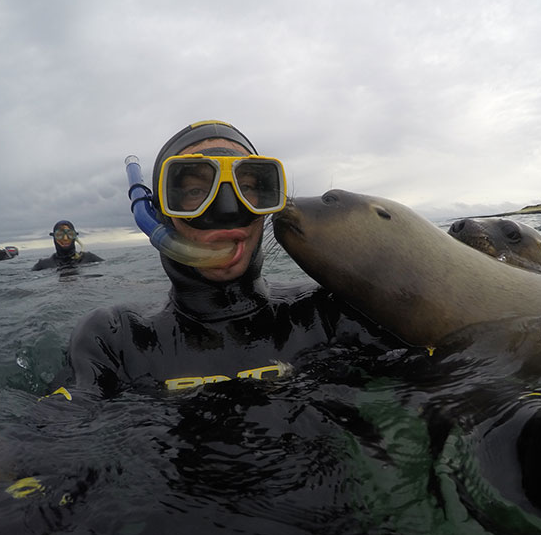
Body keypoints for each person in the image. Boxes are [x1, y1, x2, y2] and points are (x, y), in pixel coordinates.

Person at [52, 120, 398, 397]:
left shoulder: (327, 314)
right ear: (159, 214)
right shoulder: (116, 339)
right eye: (194, 191)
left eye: (247, 188)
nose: (228, 210)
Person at [32, 221, 104, 271]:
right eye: (59, 235)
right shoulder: (43, 265)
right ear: (54, 237)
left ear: (75, 237)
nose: (65, 238)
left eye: (70, 234)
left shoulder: (89, 258)